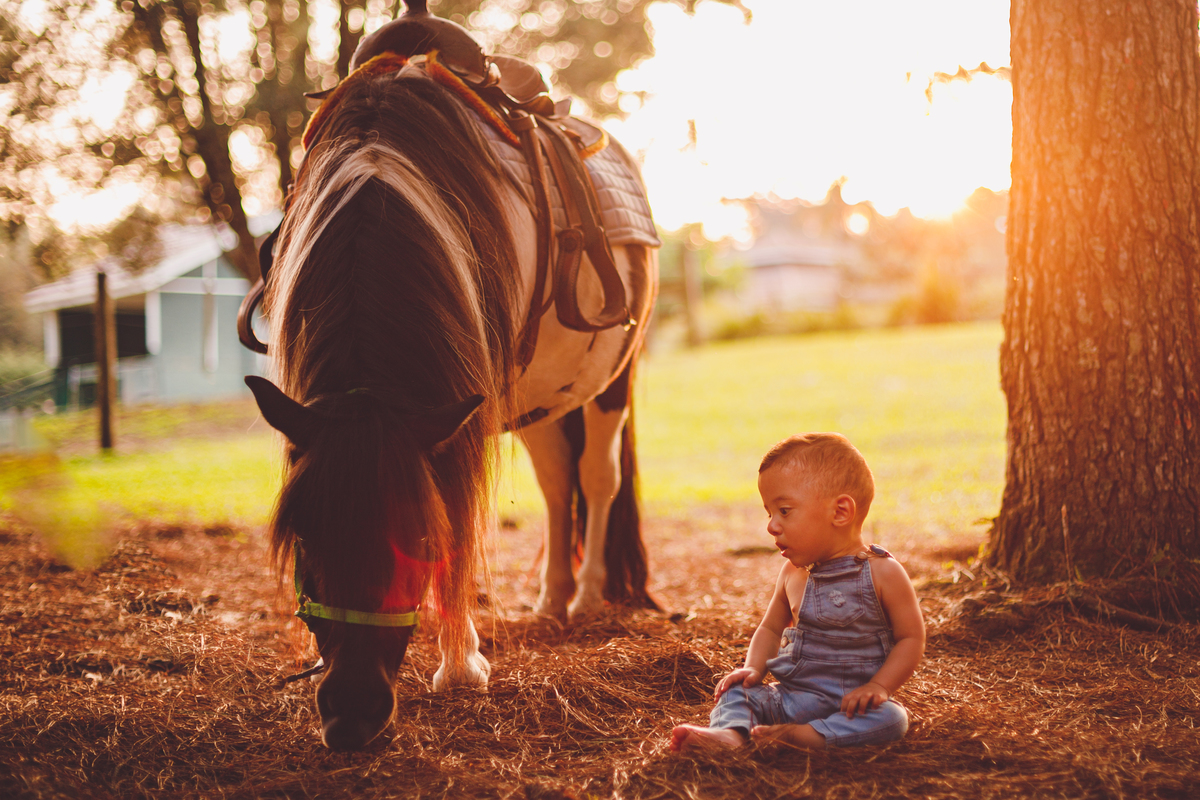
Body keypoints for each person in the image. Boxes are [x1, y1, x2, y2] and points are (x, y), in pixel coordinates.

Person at [670, 432, 925, 751]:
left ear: (840, 512)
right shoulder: (792, 573)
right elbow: (771, 628)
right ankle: (731, 736)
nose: (771, 526)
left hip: (852, 707)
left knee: (892, 719)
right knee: (736, 692)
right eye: (769, 513)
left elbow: (911, 638)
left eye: (785, 511)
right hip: (791, 699)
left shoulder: (882, 572)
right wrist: (753, 668)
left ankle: (806, 737)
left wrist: (879, 686)